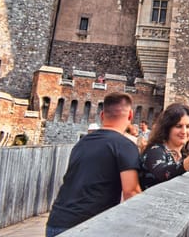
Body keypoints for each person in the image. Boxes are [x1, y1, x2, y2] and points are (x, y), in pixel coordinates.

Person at [46, 92, 142, 236]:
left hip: (56, 222)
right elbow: (131, 192)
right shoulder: (125, 145)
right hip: (88, 226)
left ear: (102, 115)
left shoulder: (82, 143)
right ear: (130, 115)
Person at [139, 103, 189, 190]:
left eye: (188, 126)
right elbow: (161, 173)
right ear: (167, 128)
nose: (184, 131)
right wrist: (187, 164)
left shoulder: (184, 153)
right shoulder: (155, 150)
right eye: (178, 126)